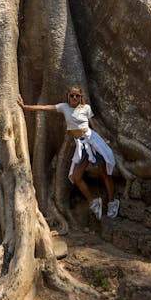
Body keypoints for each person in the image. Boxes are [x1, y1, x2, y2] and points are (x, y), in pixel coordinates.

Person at [18, 87, 119, 220]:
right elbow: (45, 107)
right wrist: (25, 107)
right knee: (76, 177)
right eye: (72, 95)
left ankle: (112, 202)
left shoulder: (86, 108)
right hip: (81, 146)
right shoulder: (64, 107)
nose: (75, 98)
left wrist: (104, 141)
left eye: (77, 96)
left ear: (81, 96)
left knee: (105, 173)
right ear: (68, 96)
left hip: (92, 141)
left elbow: (93, 125)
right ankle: (94, 202)